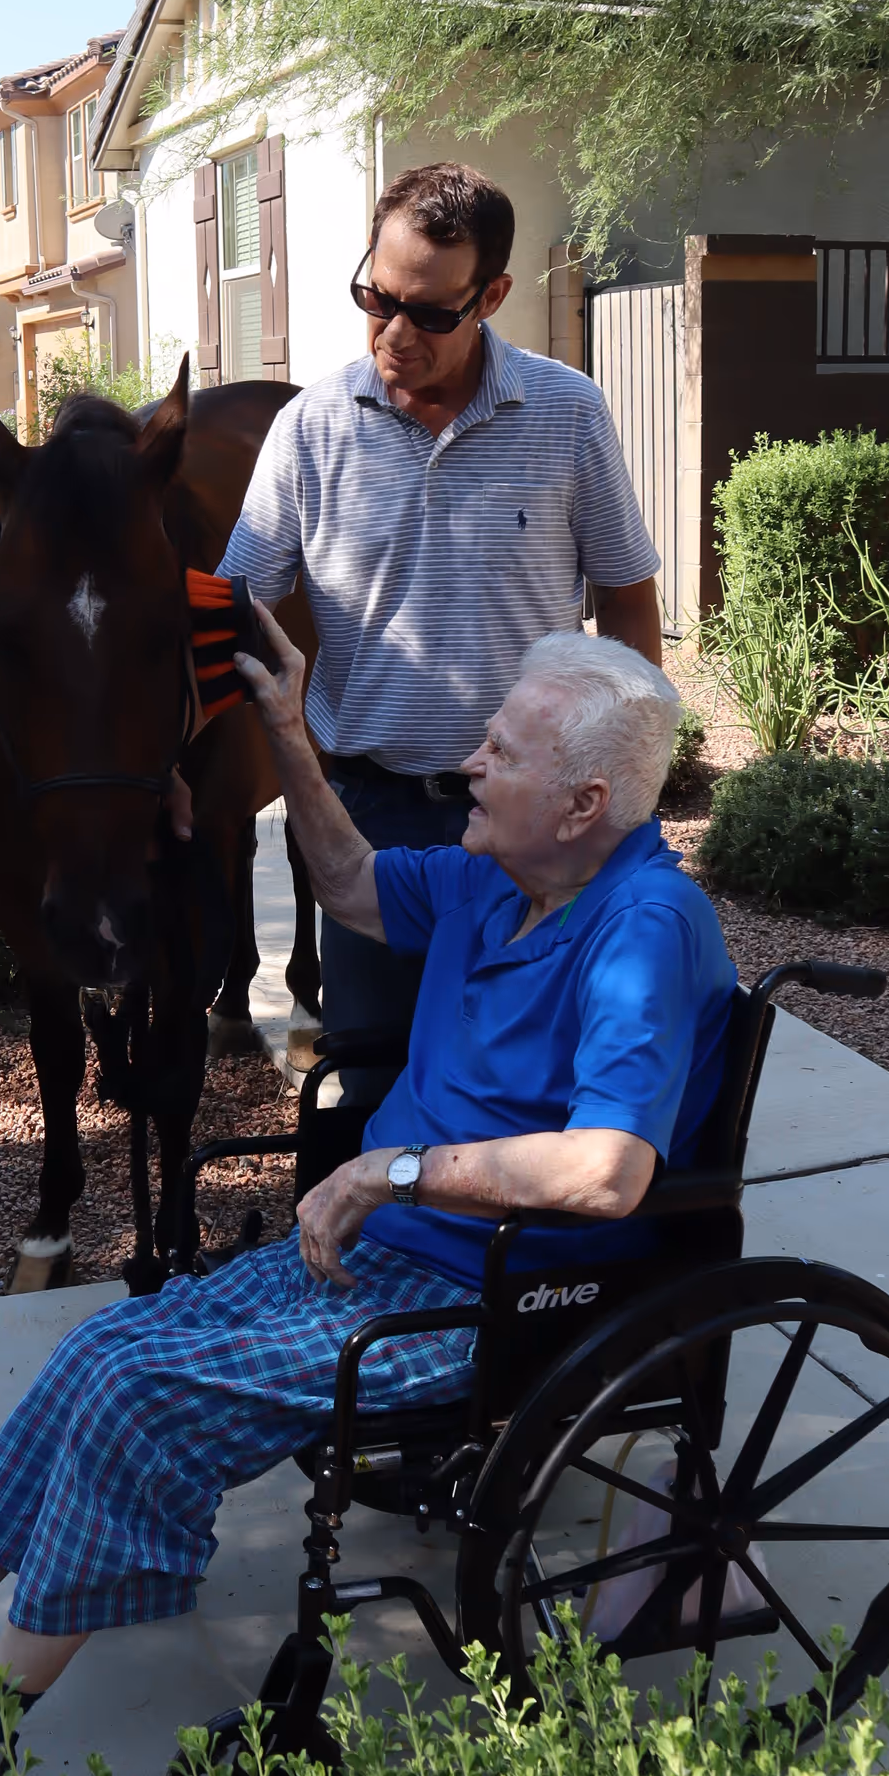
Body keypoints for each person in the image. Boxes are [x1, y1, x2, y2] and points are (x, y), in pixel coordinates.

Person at [0, 629, 734, 1776]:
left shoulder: (643, 930)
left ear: (586, 802)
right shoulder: (512, 879)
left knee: (138, 1400)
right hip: (389, 1254)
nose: (470, 762)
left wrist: (391, 1172)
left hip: (494, 1294)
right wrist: (288, 736)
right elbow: (354, 885)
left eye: (501, 750)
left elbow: (609, 1171)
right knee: (104, 1345)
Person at [218, 160, 662, 1088]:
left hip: (532, 814)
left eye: (430, 313)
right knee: (373, 1071)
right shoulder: (312, 429)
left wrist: (623, 790)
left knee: (525, 1072)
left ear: (492, 295)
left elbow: (625, 598)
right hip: (370, 810)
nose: (394, 332)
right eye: (376, 298)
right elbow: (237, 611)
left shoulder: (569, 414)